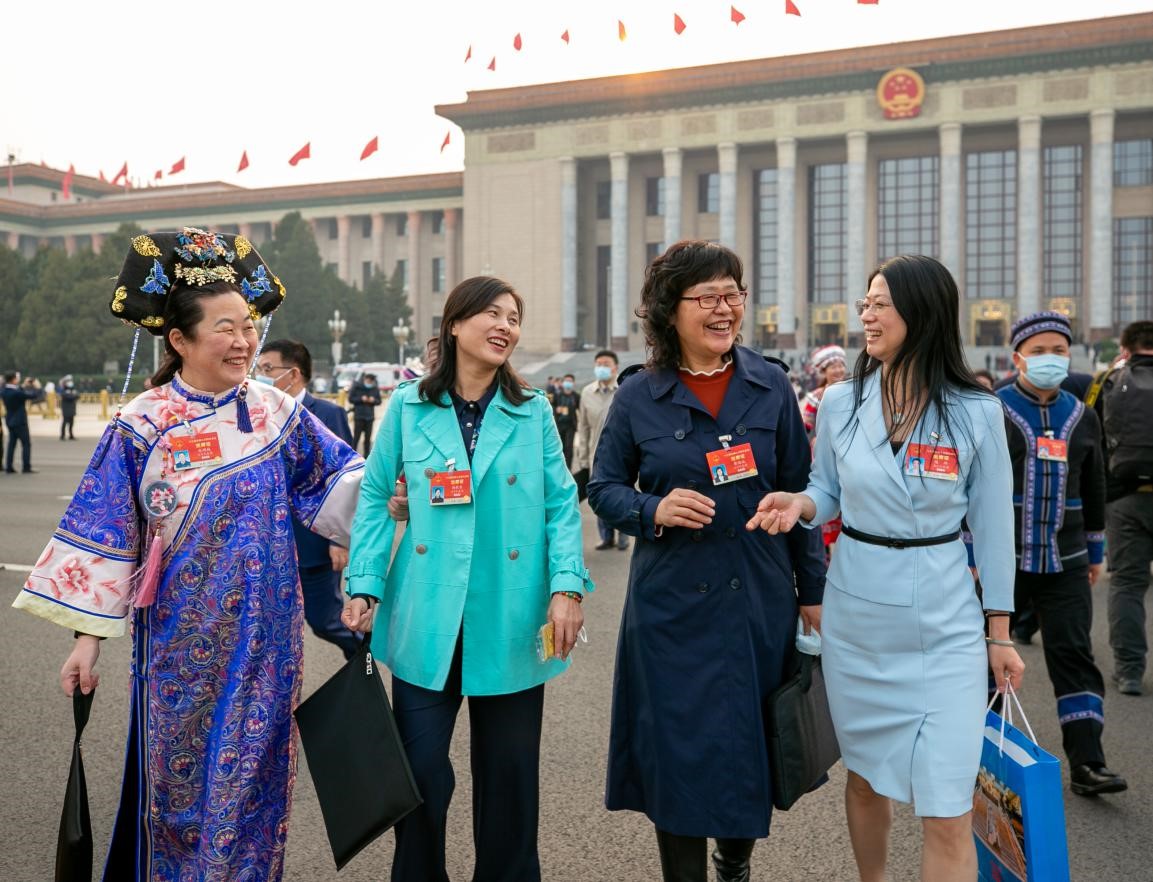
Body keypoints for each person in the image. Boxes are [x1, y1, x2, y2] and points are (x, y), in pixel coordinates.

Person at [11, 227, 364, 882]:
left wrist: (393, 493)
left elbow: (340, 484)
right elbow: (109, 533)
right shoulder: (142, 423)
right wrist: (87, 641)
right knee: (179, 795)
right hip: (179, 647)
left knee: (254, 790)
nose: (243, 342)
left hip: (267, 645)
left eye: (248, 326)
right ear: (179, 340)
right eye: (225, 328)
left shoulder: (275, 411)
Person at [748, 254, 1023, 882]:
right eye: (865, 302)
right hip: (859, 617)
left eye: (880, 303)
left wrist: (999, 633)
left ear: (921, 313)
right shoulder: (843, 401)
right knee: (867, 782)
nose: (865, 315)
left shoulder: (976, 412)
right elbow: (826, 489)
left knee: (948, 806)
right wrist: (800, 504)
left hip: (946, 623)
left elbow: (995, 530)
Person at [587, 241, 826, 882]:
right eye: (708, 298)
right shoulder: (640, 395)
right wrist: (652, 510)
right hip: (671, 606)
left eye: (734, 294)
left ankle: (736, 861)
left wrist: (812, 589)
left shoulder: (770, 383)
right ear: (671, 310)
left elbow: (802, 488)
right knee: (679, 751)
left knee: (749, 739)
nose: (725, 310)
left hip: (758, 595)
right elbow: (603, 487)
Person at [342, 275, 591, 882]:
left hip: (510, 610)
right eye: (493, 314)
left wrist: (567, 588)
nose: (506, 326)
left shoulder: (530, 411)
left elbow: (561, 504)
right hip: (428, 610)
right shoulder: (407, 405)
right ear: (455, 323)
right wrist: (364, 582)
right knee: (421, 771)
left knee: (508, 778)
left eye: (514, 316)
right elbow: (377, 496)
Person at [996, 311, 1126, 796]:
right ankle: (980, 757)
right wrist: (967, 551)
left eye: (1058, 351)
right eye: (1039, 351)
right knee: (987, 659)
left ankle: (1088, 763)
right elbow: (970, 486)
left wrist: (1096, 551)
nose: (1050, 359)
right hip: (1001, 561)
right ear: (1017, 358)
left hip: (1066, 559)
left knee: (1074, 654)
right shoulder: (994, 407)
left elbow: (1095, 484)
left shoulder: (1082, 413)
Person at [256, 339, 362, 660]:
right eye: (259, 369)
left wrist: (340, 539)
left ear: (293, 374)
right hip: (270, 543)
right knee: (271, 629)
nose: (260, 376)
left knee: (325, 620)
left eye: (267, 369)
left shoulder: (327, 415)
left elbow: (345, 479)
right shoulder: (256, 414)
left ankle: (362, 657)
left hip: (315, 542)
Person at [1088, 320, 1153, 697]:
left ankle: (1129, 671)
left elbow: (1088, 432)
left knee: (1128, 584)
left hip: (1124, 496)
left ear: (1125, 349)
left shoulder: (1108, 379)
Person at [574, 349, 628, 550]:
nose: (601, 368)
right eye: (598, 364)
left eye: (606, 364)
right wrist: (583, 457)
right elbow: (584, 428)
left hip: (622, 454)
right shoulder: (587, 393)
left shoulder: (624, 389)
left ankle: (623, 534)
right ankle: (606, 537)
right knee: (600, 496)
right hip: (596, 455)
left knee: (623, 494)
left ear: (615, 367)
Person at [801, 344, 847, 438]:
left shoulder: (853, 392)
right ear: (823, 371)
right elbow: (807, 422)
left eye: (840, 366)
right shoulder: (816, 396)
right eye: (833, 367)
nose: (838, 370)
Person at [2, 371, 44, 473]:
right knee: (26, 444)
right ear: (13, 379)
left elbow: (17, 390)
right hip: (20, 421)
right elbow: (34, 395)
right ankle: (26, 467)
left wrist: (24, 385)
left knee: (11, 444)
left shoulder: (4, 391)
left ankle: (9, 466)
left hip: (10, 419)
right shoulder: (17, 393)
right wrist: (38, 387)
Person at [349, 371, 383, 455]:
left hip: (369, 417)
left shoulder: (375, 389)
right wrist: (361, 399)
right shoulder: (357, 387)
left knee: (367, 439)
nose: (370, 383)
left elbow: (379, 401)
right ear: (365, 379)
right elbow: (350, 399)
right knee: (356, 438)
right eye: (368, 381)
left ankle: (366, 457)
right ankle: (352, 455)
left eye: (371, 381)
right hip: (359, 416)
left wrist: (373, 400)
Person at [550, 372, 580, 467]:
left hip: (570, 425)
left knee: (569, 448)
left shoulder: (576, 396)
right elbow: (551, 406)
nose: (568, 383)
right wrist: (556, 409)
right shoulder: (557, 395)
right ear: (563, 383)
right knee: (559, 447)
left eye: (570, 381)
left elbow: (581, 409)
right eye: (566, 381)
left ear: (573, 383)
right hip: (559, 425)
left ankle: (568, 468)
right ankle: (559, 467)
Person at [59, 374, 80, 440]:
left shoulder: (73, 389)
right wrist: (73, 395)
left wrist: (73, 395)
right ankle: (62, 435)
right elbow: (67, 397)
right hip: (66, 408)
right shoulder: (63, 390)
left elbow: (77, 396)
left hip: (72, 408)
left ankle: (71, 435)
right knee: (65, 422)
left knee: (71, 422)